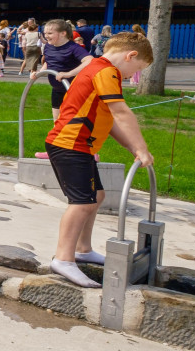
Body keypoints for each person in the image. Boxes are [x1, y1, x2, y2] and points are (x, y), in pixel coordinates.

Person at [42, 32, 155, 288]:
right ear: (130, 55)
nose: (130, 77)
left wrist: (130, 147)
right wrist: (142, 147)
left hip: (79, 145)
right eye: (135, 71)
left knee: (97, 195)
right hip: (69, 143)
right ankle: (63, 258)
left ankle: (82, 249)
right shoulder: (106, 72)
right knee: (81, 203)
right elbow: (122, 113)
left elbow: (109, 119)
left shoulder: (97, 68)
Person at [39, 19, 93, 117]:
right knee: (57, 121)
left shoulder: (74, 48)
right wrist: (39, 72)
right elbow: (49, 61)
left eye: (50, 33)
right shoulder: (48, 46)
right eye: (45, 33)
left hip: (74, 90)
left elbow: (90, 60)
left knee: (72, 121)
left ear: (63, 33)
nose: (46, 36)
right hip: (57, 89)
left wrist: (69, 73)